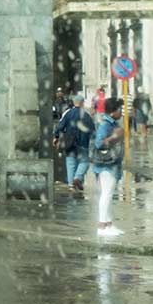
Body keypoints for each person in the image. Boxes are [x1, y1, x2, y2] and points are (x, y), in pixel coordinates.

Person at [93, 97, 127, 237]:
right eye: (119, 109)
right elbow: (99, 143)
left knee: (108, 194)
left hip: (112, 164)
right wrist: (114, 137)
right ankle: (102, 226)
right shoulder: (105, 125)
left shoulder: (111, 123)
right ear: (113, 111)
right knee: (106, 195)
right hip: (106, 166)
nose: (121, 112)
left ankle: (108, 225)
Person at [53, 91, 94, 192]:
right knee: (84, 161)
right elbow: (92, 130)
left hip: (69, 143)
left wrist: (56, 136)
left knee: (70, 162)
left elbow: (60, 126)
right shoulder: (87, 115)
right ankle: (78, 178)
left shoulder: (68, 113)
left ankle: (71, 185)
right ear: (82, 103)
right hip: (83, 142)